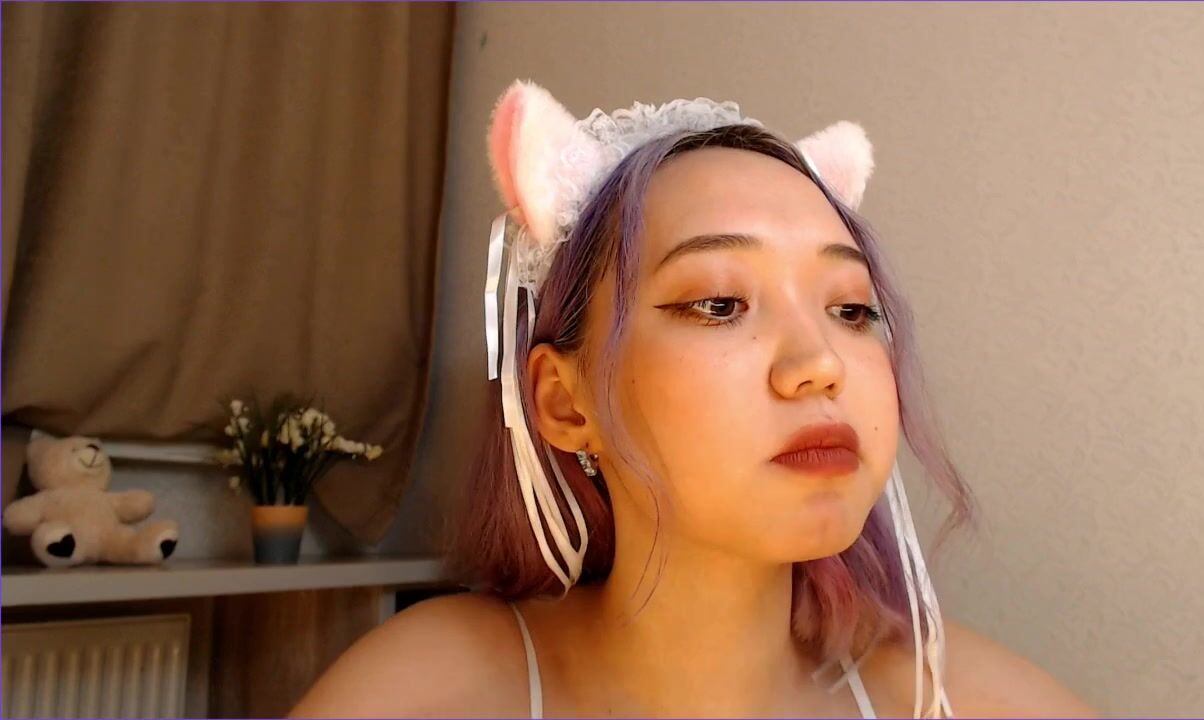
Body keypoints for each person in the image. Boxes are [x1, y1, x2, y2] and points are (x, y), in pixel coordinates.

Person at [290, 81, 1098, 719]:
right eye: (718, 303)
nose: (820, 364)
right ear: (566, 404)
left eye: (852, 310)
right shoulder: (428, 690)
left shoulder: (961, 701)